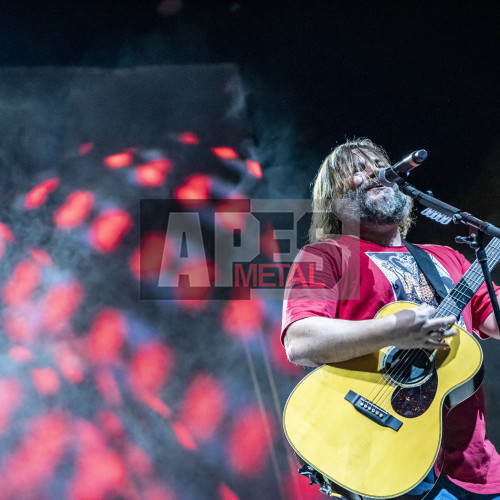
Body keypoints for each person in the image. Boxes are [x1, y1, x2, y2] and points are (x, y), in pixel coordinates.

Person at [281, 138, 500, 499]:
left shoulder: (448, 258)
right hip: (381, 458)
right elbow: (300, 341)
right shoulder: (323, 256)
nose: (371, 173)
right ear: (334, 200)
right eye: (355, 171)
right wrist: (393, 330)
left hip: (473, 471)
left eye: (377, 165)